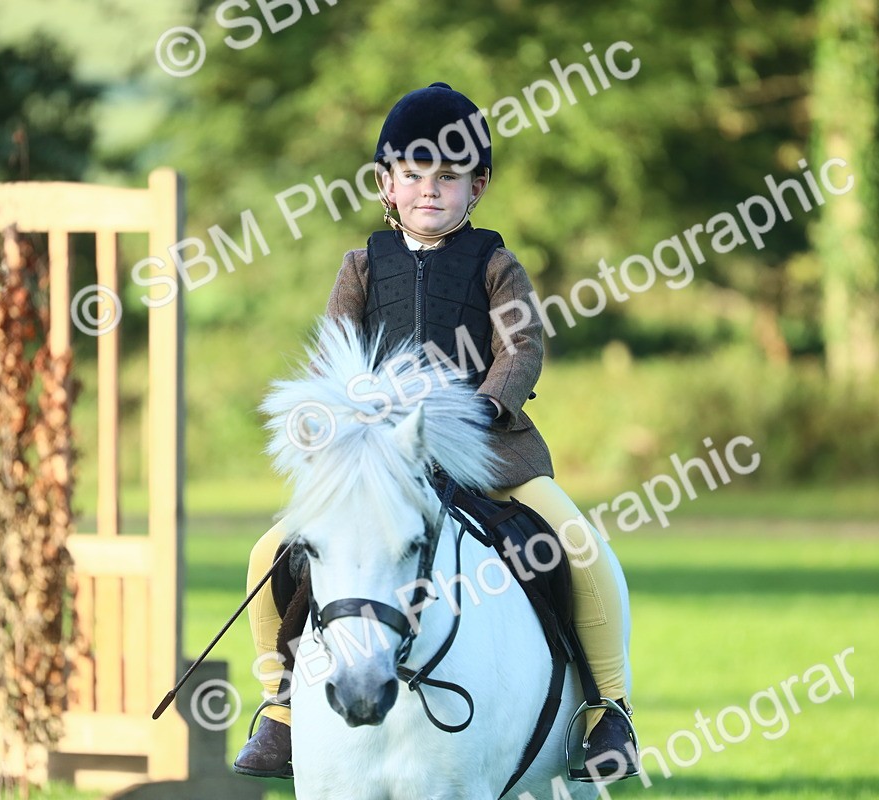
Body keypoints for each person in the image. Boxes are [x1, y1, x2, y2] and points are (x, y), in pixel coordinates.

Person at [234, 82, 637, 780]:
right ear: (385, 184)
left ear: (476, 186)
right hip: (381, 462)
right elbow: (335, 349)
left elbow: (522, 348)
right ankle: (281, 707)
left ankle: (609, 711)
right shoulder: (361, 265)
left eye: (447, 177)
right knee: (269, 552)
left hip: (490, 453)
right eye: (413, 176)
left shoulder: (495, 263)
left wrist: (487, 406)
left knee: (581, 545)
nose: (429, 191)